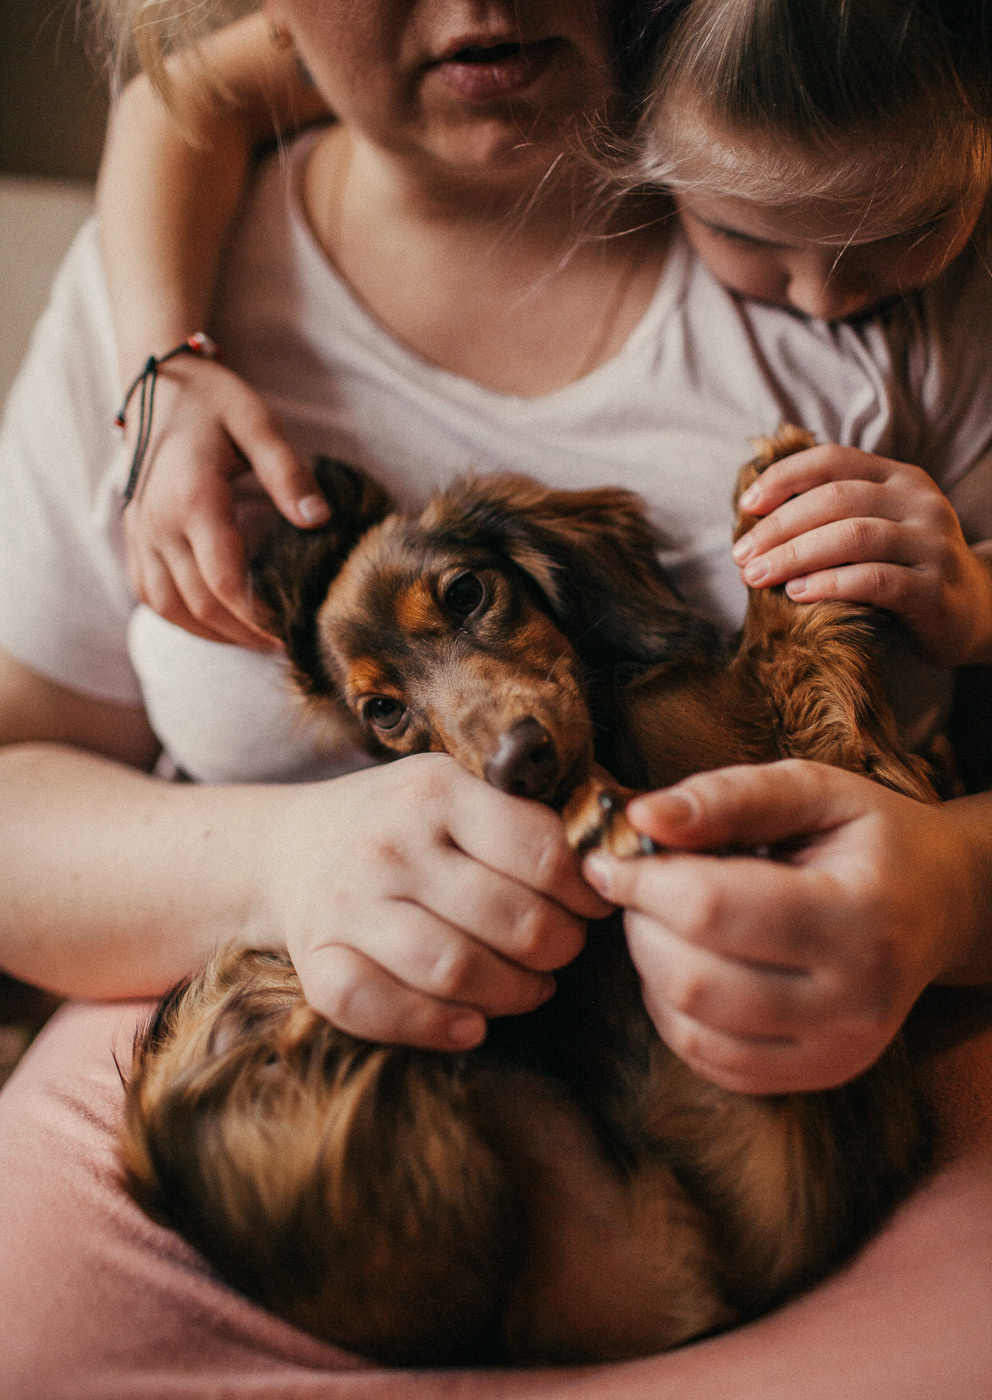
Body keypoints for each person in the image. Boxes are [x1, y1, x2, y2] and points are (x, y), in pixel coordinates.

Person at [0, 0, 991, 1394]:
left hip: (850, 1092)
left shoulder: (862, 201)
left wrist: (948, 884)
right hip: (268, 1117)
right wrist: (280, 862)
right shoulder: (157, 329)